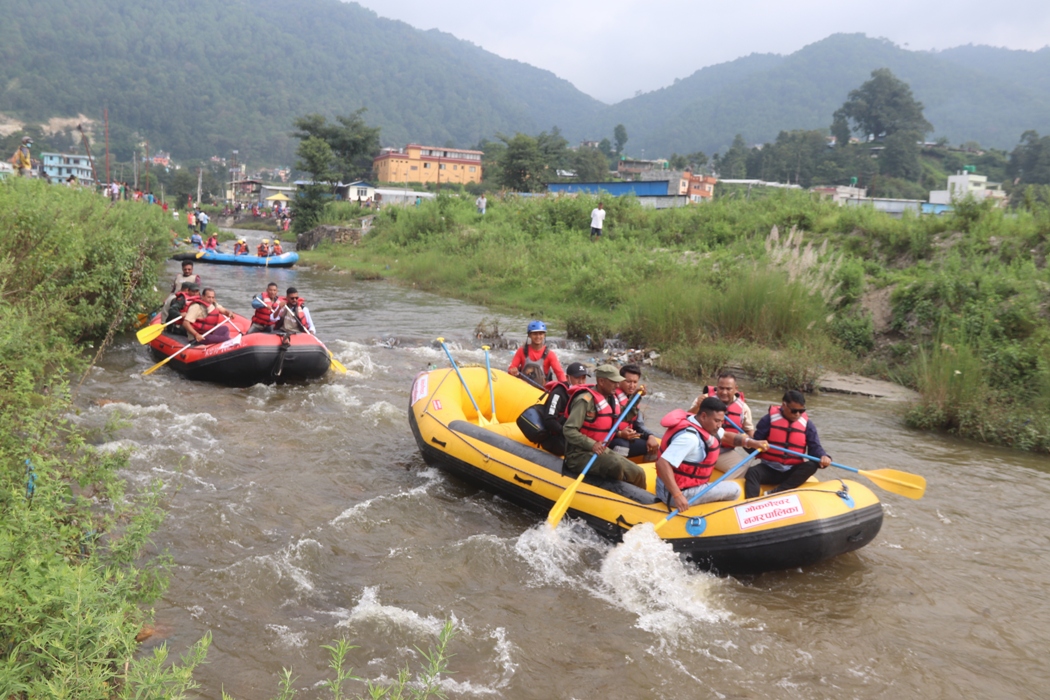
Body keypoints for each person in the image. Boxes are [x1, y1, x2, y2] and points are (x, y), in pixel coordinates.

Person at [655, 397, 761, 511]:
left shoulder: (695, 421)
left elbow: (725, 436)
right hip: (673, 493)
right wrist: (677, 495)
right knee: (735, 489)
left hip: (676, 486)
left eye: (721, 421)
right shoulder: (690, 438)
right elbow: (662, 463)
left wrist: (751, 442)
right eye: (717, 421)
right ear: (704, 416)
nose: (720, 425)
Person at [562, 364, 646, 489]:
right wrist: (592, 445)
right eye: (613, 382)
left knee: (639, 472)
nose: (617, 386)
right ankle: (617, 493)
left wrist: (636, 397)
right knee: (615, 464)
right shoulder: (584, 400)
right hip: (578, 455)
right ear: (601, 381)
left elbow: (624, 416)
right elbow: (568, 430)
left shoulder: (611, 399)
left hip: (600, 451)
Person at [744, 390, 831, 499]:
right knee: (752, 472)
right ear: (784, 405)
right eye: (794, 411)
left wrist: (824, 457)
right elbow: (755, 444)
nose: (798, 414)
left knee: (812, 465)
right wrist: (746, 442)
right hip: (769, 468)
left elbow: (815, 447)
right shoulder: (768, 420)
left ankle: (777, 492)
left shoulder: (808, 425)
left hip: (791, 471)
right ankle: (751, 505)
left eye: (801, 411)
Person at [689, 372, 756, 472]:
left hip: (723, 452)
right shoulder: (704, 400)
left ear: (736, 389)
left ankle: (721, 486)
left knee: (743, 468)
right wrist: (698, 406)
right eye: (721, 388)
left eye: (728, 389)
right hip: (700, 447)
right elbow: (686, 419)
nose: (724, 392)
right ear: (717, 387)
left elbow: (749, 431)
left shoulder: (743, 408)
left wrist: (755, 444)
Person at [538, 361, 590, 456]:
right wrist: (569, 434)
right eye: (577, 378)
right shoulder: (558, 393)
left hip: (574, 434)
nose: (581, 382)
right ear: (567, 378)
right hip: (556, 437)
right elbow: (549, 420)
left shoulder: (585, 394)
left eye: (583, 378)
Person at [609, 363, 660, 459]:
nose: (632, 386)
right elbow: (603, 425)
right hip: (611, 439)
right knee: (622, 444)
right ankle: (618, 471)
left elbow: (639, 425)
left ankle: (647, 472)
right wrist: (619, 433)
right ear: (620, 380)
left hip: (626, 438)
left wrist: (650, 436)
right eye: (628, 381)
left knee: (654, 446)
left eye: (635, 382)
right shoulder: (611, 397)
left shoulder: (634, 399)